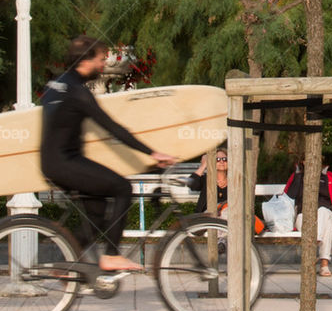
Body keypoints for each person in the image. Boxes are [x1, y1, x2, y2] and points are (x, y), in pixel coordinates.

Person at [40, 35, 176, 272]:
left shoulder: (56, 84)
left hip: (53, 163)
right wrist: (152, 153)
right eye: (101, 59)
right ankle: (111, 255)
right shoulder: (78, 92)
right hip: (65, 163)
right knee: (122, 187)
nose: (103, 65)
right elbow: (113, 128)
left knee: (97, 214)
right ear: (86, 60)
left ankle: (65, 267)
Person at [284, 159, 332, 276]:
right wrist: (298, 177)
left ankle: (316, 239)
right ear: (302, 162)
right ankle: (324, 265)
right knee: (326, 226)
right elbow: (289, 196)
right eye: (306, 160)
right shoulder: (297, 176)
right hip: (304, 216)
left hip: (328, 214)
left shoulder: (328, 176)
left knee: (322, 211)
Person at [185, 148, 228, 214]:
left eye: (225, 159)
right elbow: (192, 184)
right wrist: (203, 165)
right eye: (217, 159)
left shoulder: (235, 180)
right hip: (206, 217)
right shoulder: (205, 179)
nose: (221, 162)